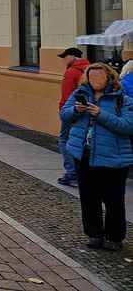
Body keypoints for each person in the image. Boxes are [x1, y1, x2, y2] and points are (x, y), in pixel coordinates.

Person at [60, 63, 133, 250]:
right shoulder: (80, 94)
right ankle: (94, 233)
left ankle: (114, 237)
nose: (95, 81)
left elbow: (128, 126)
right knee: (89, 198)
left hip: (113, 157)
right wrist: (76, 110)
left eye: (99, 77)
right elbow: (64, 115)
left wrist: (100, 114)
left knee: (113, 199)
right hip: (83, 155)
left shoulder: (122, 100)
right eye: (92, 77)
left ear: (109, 78)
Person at [57, 47, 90, 186]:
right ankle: (83, 172)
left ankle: (72, 173)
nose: (64, 60)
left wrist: (63, 111)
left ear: (72, 56)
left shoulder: (71, 72)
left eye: (65, 57)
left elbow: (67, 95)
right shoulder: (89, 69)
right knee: (82, 140)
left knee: (64, 139)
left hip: (73, 110)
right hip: (89, 110)